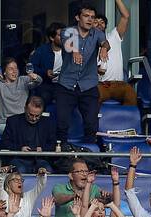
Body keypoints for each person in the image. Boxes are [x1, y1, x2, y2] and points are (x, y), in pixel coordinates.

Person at [54, 2, 107, 148]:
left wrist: (103, 48)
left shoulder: (97, 33)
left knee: (91, 124)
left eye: (92, 17)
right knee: (62, 123)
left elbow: (105, 42)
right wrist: (75, 51)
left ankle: (88, 155)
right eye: (86, 16)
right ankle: (62, 154)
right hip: (66, 85)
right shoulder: (68, 31)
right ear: (77, 17)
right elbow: (69, 44)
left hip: (88, 85)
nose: (90, 19)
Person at [0, 94, 55, 172]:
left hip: (40, 160)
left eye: (37, 116)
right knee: (20, 170)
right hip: (18, 159)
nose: (34, 118)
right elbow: (4, 143)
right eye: (31, 115)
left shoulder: (48, 123)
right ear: (25, 109)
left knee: (47, 170)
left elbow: (53, 144)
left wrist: (43, 149)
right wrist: (20, 149)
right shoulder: (13, 121)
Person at [95, 0, 134, 106]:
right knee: (91, 98)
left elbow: (125, 16)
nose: (99, 24)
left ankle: (127, 122)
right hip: (101, 85)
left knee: (131, 94)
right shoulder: (88, 43)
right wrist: (96, 70)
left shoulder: (113, 36)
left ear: (105, 26)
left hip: (119, 84)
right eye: (96, 22)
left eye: (102, 22)